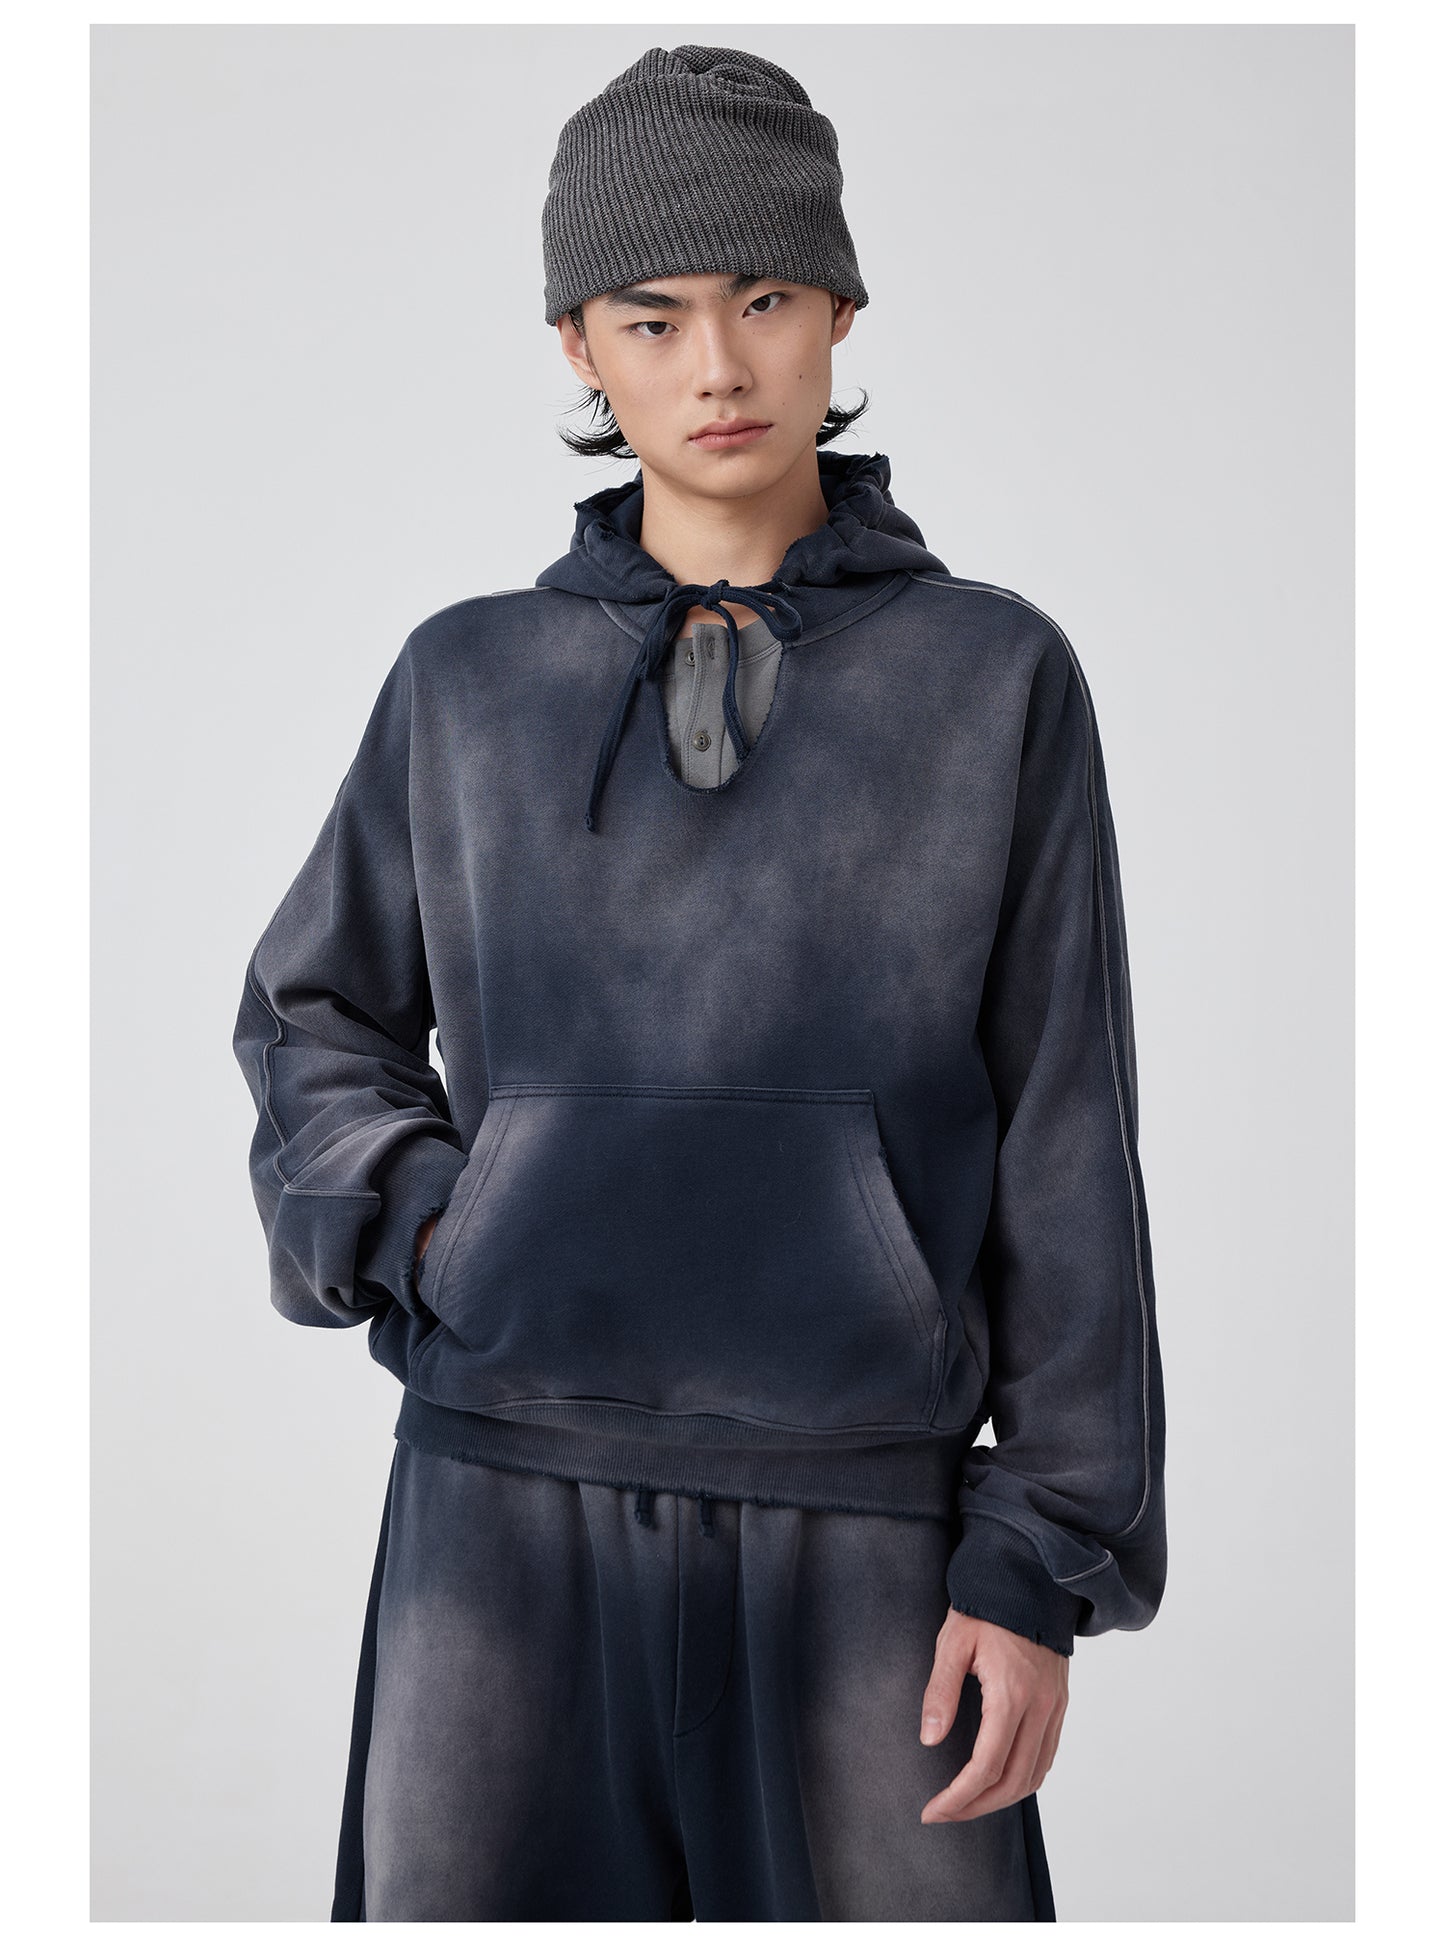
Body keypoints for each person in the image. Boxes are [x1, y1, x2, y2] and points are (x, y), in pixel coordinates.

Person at [232, 42, 1167, 1924]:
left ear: (838, 312)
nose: (717, 367)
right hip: (500, 1506)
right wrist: (447, 1227)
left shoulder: (990, 679)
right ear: (579, 345)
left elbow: (1068, 1126)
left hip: (870, 1520)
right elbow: (311, 1017)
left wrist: (1038, 1558)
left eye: (763, 301)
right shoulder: (466, 681)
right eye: (652, 318)